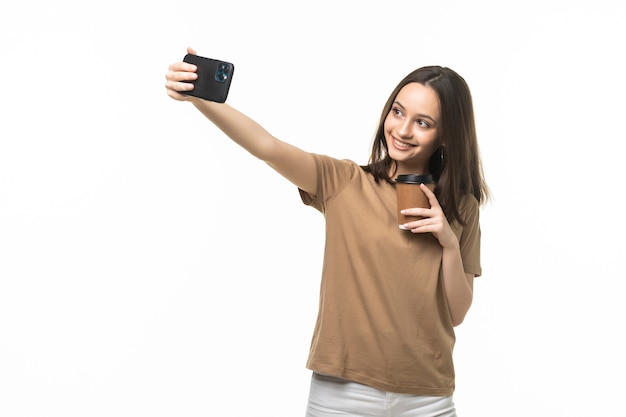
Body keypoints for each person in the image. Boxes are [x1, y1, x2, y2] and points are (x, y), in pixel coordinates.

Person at [165, 47, 489, 417]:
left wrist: (448, 242)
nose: (402, 129)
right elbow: (267, 147)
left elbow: (457, 312)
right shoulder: (346, 182)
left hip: (427, 397)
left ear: (446, 134)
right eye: (398, 112)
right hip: (342, 395)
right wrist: (200, 98)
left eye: (423, 122)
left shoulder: (462, 208)